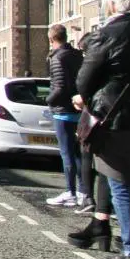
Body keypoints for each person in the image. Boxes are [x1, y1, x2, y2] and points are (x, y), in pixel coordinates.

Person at [72, 0, 130, 259]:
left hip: (116, 120)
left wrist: (85, 98)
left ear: (114, 4)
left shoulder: (110, 33)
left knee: (122, 185)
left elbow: (84, 79)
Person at [45, 24, 85, 207]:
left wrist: (48, 100)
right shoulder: (77, 56)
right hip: (78, 109)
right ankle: (83, 192)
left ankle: (71, 192)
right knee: (78, 154)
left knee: (66, 153)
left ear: (51, 39)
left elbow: (60, 86)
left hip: (63, 111)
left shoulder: (57, 58)